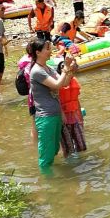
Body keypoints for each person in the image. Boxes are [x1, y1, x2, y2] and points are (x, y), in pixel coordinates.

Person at [29, 38, 77, 171]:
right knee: (46, 157)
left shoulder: (47, 68)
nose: (51, 51)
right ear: (38, 52)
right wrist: (66, 67)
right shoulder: (37, 71)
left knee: (54, 150)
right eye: (48, 49)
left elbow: (64, 83)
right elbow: (56, 84)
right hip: (46, 118)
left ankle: (55, 181)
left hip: (54, 115)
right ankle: (48, 186)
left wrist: (70, 70)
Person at [59, 68, 86, 158]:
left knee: (81, 145)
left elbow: (76, 100)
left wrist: (80, 117)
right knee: (68, 149)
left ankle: (83, 162)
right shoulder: (57, 83)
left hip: (75, 118)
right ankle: (70, 166)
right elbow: (56, 101)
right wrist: (61, 115)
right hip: (63, 120)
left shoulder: (74, 81)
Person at [18, 41, 37, 144]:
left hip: (31, 97)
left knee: (34, 123)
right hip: (36, 97)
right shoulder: (31, 64)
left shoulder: (25, 61)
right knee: (36, 123)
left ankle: (35, 146)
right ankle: (36, 145)